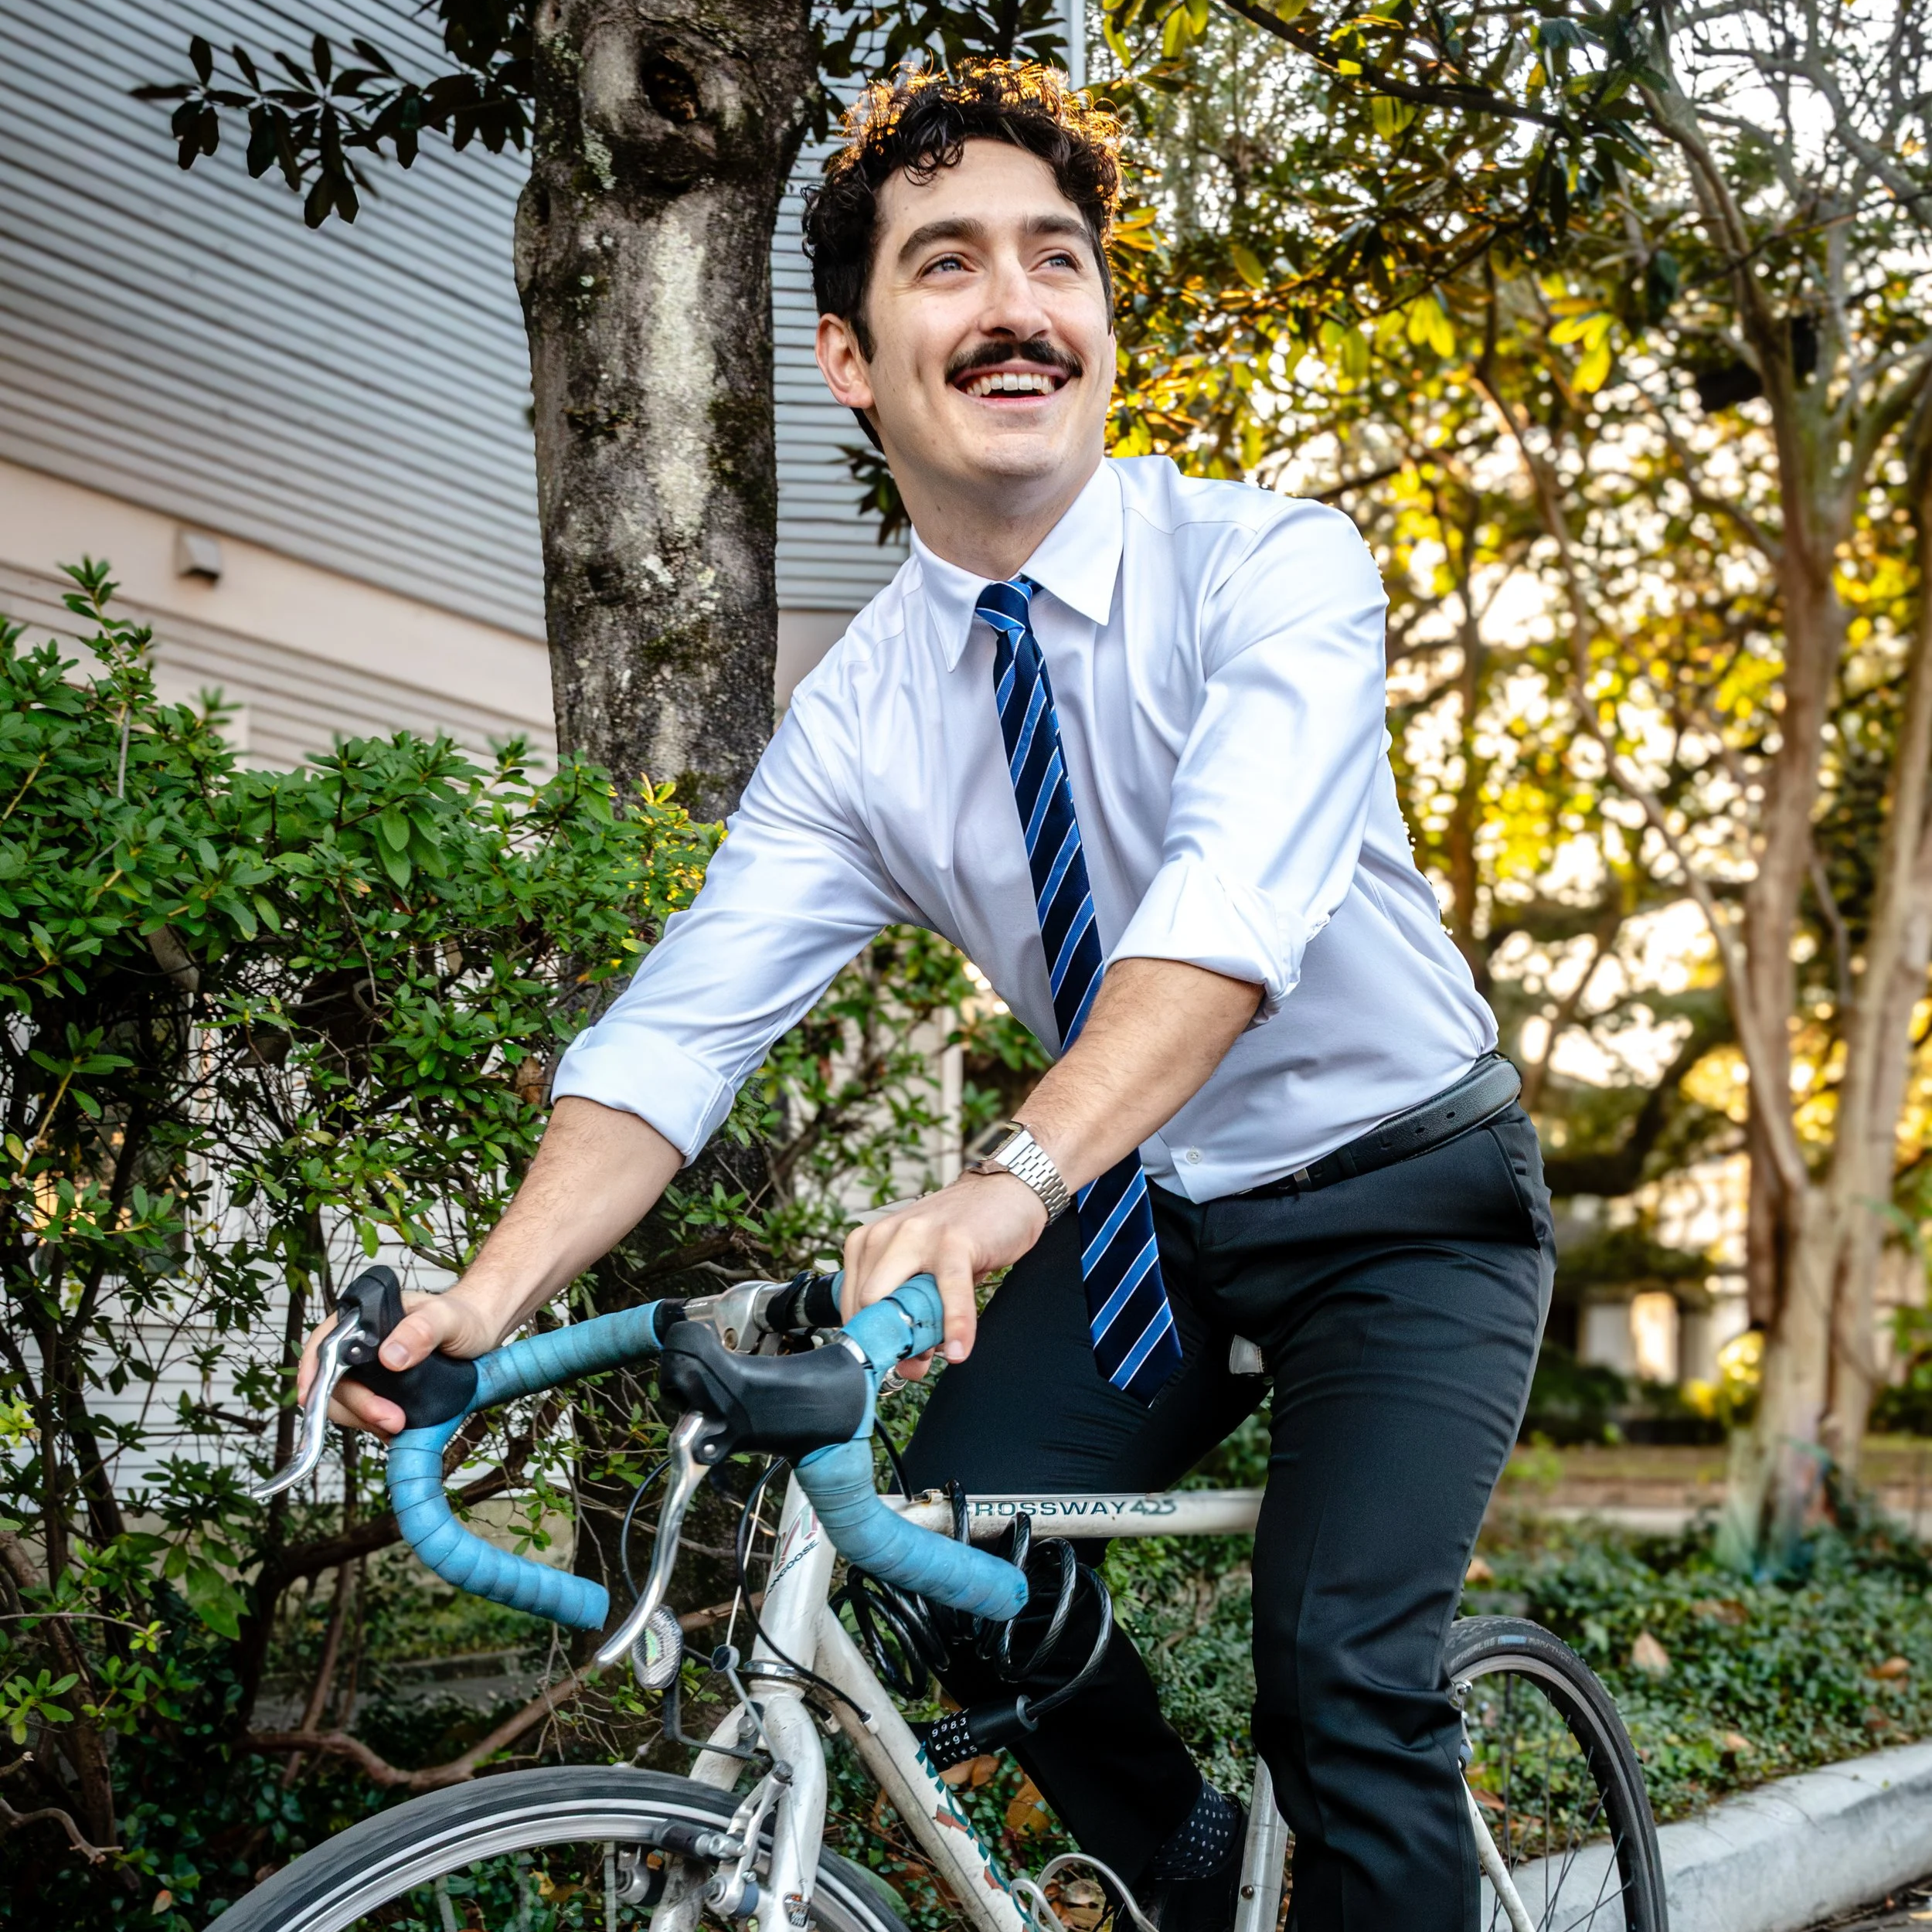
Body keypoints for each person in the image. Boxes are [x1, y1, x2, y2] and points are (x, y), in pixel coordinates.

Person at [304, 61, 1554, 1932]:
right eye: (947, 265)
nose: (1015, 306)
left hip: (1403, 1202)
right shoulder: (865, 716)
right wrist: (482, 1299)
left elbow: (1220, 918)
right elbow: (677, 1033)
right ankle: (1187, 1877)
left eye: (1056, 261)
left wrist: (1011, 1174)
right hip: (1150, 1214)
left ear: (1102, 325)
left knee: (1341, 1681)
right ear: (848, 357)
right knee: (933, 1558)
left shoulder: (1269, 569)